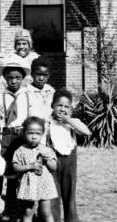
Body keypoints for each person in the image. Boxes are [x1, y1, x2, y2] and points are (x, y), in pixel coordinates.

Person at [48, 89, 91, 222]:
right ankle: (53, 218)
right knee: (53, 193)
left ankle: (71, 218)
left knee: (69, 192)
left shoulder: (73, 123)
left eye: (67, 106)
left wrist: (68, 120)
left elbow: (86, 132)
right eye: (59, 105)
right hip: (52, 161)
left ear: (71, 108)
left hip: (69, 162)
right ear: (52, 106)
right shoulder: (48, 122)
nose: (62, 109)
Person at [0, 62, 30, 221]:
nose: (14, 81)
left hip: (23, 135)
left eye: (17, 78)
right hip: (8, 136)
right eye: (10, 78)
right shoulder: (1, 96)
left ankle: (22, 208)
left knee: (22, 172)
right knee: (9, 172)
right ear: (5, 79)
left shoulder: (27, 95)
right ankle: (8, 207)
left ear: (23, 78)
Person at [12, 117, 57, 222]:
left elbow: (54, 168)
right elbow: (15, 167)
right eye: (30, 133)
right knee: (28, 212)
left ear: (42, 134)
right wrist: (29, 166)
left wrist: (48, 160)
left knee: (46, 212)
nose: (33, 137)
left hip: (44, 184)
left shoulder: (46, 149)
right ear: (24, 133)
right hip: (28, 184)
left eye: (37, 134)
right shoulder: (21, 150)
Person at [26, 57, 55, 144]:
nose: (41, 78)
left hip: (48, 131)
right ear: (32, 74)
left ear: (49, 75)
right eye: (38, 74)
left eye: (45, 75)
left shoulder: (51, 91)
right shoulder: (26, 91)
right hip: (32, 132)